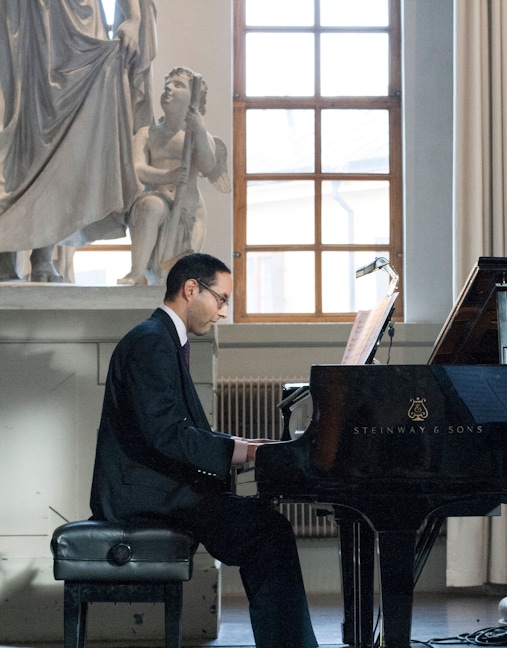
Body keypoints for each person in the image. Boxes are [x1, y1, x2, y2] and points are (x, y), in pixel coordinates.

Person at [89, 253, 318, 648]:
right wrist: (243, 452)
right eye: (222, 299)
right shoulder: (150, 342)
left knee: (267, 529)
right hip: (147, 497)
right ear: (191, 289)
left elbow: (180, 431)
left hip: (162, 490)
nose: (223, 313)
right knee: (269, 532)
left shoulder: (159, 339)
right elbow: (166, 435)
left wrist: (244, 447)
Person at [0, 0, 156, 281]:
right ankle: (4, 255)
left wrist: (133, 18)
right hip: (17, 20)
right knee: (10, 141)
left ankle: (42, 257)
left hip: (76, 26)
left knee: (67, 137)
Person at [118, 67, 229, 286]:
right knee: (151, 206)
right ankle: (136, 272)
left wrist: (198, 129)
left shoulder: (198, 135)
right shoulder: (147, 133)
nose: (168, 87)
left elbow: (208, 166)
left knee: (175, 279)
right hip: (157, 203)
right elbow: (138, 169)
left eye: (178, 85)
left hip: (187, 212)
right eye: (166, 84)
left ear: (193, 99)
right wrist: (169, 175)